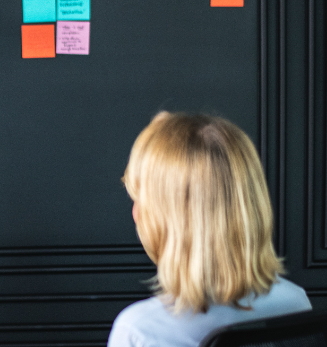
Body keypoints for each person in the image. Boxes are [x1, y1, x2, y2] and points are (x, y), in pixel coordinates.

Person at [108, 112, 311, 346]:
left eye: (140, 199)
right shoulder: (295, 303)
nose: (135, 212)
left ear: (166, 219)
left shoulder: (139, 331)